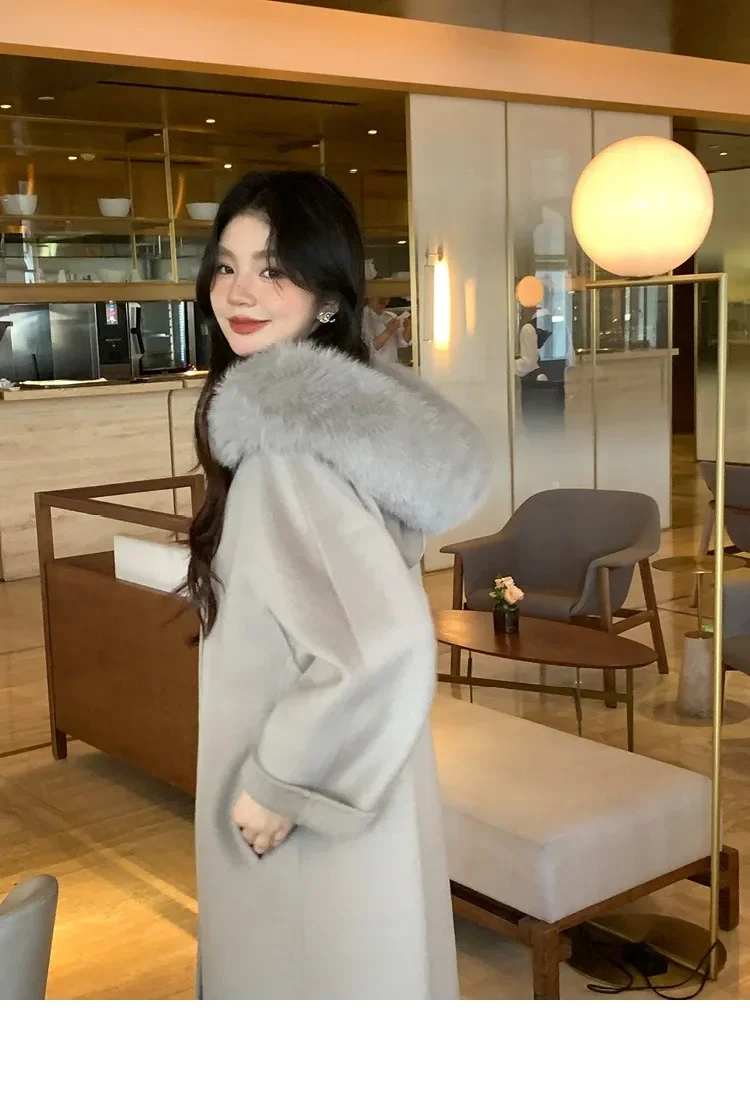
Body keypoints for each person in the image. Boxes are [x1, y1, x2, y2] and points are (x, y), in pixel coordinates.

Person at [186, 171, 490, 999]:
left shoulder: (286, 454)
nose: (239, 292)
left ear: (326, 298)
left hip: (301, 820)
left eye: (274, 270)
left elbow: (381, 642)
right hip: (362, 793)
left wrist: (281, 785)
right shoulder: (343, 440)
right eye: (226, 267)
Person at [363, 294, 412, 367]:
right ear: (369, 296)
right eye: (380, 296)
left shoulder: (391, 316)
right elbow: (371, 347)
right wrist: (389, 331)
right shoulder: (362, 317)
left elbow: (403, 342)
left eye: (387, 297)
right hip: (374, 367)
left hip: (393, 364)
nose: (384, 300)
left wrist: (408, 328)